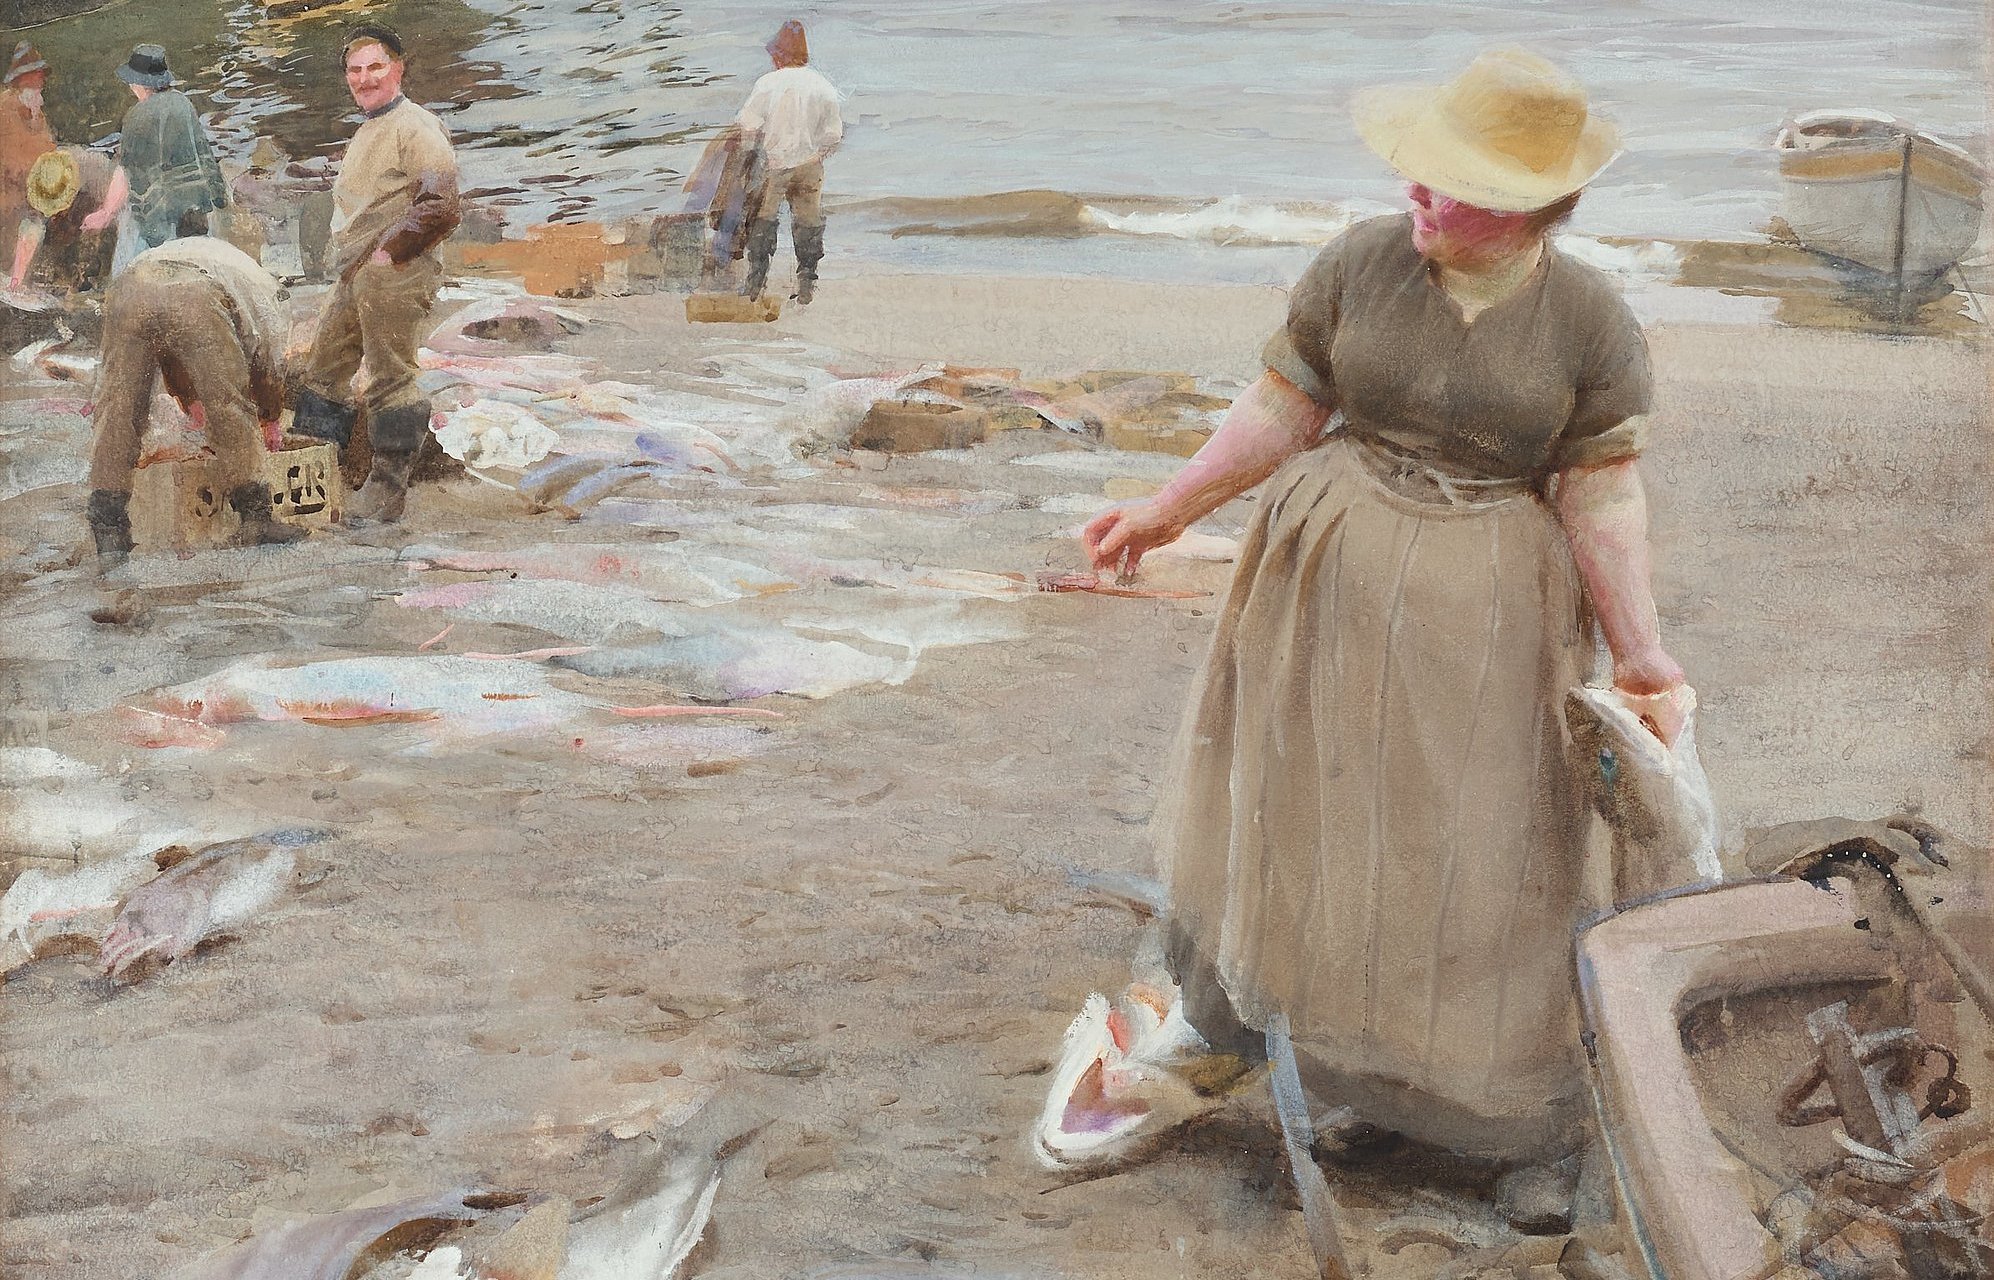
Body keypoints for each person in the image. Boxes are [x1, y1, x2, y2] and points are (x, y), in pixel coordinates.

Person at [1074, 49, 1692, 1234]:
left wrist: (1640, 650)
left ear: (1521, 205)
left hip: (1488, 619)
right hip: (1325, 582)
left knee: (1481, 854)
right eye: (1414, 173)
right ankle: (1318, 1065)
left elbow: (1600, 497)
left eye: (1442, 183)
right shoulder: (1359, 263)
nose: (1413, 193)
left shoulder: (1589, 321)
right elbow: (1281, 409)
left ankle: (1511, 1126)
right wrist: (1163, 508)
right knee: (1308, 818)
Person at [289, 23, 460, 526]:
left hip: (396, 270)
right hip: (357, 274)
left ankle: (386, 492)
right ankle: (316, 479)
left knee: (391, 378)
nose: (364, 79)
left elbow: (442, 204)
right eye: (355, 70)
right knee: (323, 372)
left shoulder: (417, 126)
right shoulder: (369, 128)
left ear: (399, 69)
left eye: (375, 67)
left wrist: (388, 254)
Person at [84, 236, 305, 569]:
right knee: (230, 405)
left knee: (119, 408)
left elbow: (170, 353)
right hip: (194, 293)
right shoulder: (264, 292)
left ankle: (108, 528)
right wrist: (271, 419)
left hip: (130, 289)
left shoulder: (211, 255)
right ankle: (256, 519)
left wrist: (189, 400)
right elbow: (266, 365)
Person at [80, 46, 228, 270]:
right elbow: (203, 155)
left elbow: (127, 170)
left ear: (139, 83)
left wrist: (106, 212)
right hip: (195, 208)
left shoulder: (137, 117)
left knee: (130, 264)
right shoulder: (184, 104)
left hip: (160, 215)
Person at [734, 19, 842, 304]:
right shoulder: (823, 86)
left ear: (780, 54)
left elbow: (748, 126)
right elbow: (833, 135)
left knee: (764, 221)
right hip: (810, 165)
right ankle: (806, 285)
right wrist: (817, 156)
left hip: (774, 164)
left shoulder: (767, 84)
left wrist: (748, 157)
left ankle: (755, 283)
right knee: (808, 224)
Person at [10, 146, 117, 294]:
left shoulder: (96, 168)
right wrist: (17, 276)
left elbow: (122, 174)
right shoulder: (45, 176)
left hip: (105, 212)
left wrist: (106, 212)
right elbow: (31, 225)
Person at [2, 44, 56, 271]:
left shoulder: (34, 108)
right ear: (23, 81)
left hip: (28, 192)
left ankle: (18, 279)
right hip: (8, 195)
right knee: (30, 223)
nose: (40, 84)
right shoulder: (6, 109)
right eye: (35, 79)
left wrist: (34, 119)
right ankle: (14, 281)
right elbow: (15, 162)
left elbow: (49, 149)